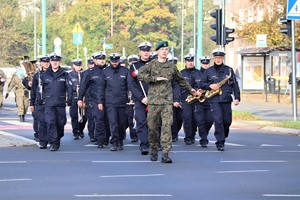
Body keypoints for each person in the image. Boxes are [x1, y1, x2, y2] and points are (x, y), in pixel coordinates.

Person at [137, 41, 196, 163]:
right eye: (162, 49)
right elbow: (139, 75)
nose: (164, 51)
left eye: (166, 49)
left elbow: (181, 80)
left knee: (167, 127)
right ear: (157, 51)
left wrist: (191, 90)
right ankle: (153, 148)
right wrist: (154, 79)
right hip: (153, 102)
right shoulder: (151, 65)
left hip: (167, 102)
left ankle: (165, 153)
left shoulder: (171, 67)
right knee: (152, 128)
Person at [200, 48, 240, 151]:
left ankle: (223, 135)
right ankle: (220, 142)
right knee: (218, 121)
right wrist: (210, 86)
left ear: (223, 58)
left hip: (226, 99)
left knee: (227, 121)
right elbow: (201, 84)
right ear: (214, 58)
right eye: (216, 57)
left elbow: (235, 85)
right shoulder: (208, 71)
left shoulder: (229, 70)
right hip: (214, 99)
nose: (218, 59)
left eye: (220, 57)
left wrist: (237, 97)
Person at [39, 52, 72, 151]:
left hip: (60, 103)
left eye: (56, 61)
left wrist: (69, 98)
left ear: (59, 62)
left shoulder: (65, 74)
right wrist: (39, 98)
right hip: (48, 103)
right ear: (50, 62)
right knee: (50, 122)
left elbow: (69, 88)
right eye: (53, 61)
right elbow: (40, 89)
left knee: (60, 123)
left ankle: (57, 137)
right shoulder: (45, 75)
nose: (55, 62)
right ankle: (54, 143)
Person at [98, 53, 130, 151]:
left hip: (122, 101)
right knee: (113, 122)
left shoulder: (125, 71)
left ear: (119, 61)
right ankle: (114, 142)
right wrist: (100, 101)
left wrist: (131, 99)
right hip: (110, 102)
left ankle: (120, 140)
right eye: (113, 61)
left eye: (116, 61)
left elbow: (130, 86)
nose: (114, 63)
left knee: (122, 123)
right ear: (110, 61)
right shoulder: (105, 72)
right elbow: (101, 88)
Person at [78, 51, 108, 147]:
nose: (102, 61)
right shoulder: (89, 73)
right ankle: (100, 140)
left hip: (109, 99)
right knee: (99, 119)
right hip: (94, 99)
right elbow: (83, 87)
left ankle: (107, 138)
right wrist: (80, 99)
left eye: (103, 59)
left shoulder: (109, 70)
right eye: (99, 59)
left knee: (109, 120)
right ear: (95, 60)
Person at [129, 42, 152, 155]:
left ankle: (155, 143)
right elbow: (131, 84)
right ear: (140, 52)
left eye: (147, 51)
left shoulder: (156, 64)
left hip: (155, 98)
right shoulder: (134, 66)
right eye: (144, 51)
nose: (146, 53)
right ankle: (144, 144)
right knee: (141, 122)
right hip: (140, 100)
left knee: (155, 123)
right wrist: (142, 98)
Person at [190, 56, 213, 148]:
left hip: (210, 100)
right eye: (204, 63)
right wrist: (196, 91)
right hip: (199, 101)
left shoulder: (212, 73)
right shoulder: (195, 74)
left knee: (210, 120)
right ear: (201, 63)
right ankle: (203, 139)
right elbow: (190, 86)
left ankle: (205, 133)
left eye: (207, 63)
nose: (205, 65)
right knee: (200, 121)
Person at [29, 55, 50, 148]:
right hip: (40, 102)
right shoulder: (37, 75)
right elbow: (33, 90)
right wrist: (31, 103)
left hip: (51, 102)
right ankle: (43, 141)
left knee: (51, 122)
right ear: (41, 63)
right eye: (44, 62)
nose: (46, 63)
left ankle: (52, 138)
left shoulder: (53, 74)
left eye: (47, 62)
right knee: (41, 122)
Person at [180, 54, 199, 145]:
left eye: (191, 61)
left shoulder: (199, 73)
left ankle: (193, 134)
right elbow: (178, 86)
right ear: (185, 62)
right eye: (188, 61)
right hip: (186, 99)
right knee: (187, 118)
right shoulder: (181, 73)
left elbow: (201, 84)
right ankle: (187, 137)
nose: (190, 63)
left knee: (195, 119)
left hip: (197, 99)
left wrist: (196, 91)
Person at [68, 59, 87, 140]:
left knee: (84, 116)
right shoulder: (70, 75)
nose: (78, 67)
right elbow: (68, 86)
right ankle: (75, 132)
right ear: (73, 66)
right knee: (74, 115)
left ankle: (81, 129)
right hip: (74, 97)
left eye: (79, 65)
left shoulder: (85, 74)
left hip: (83, 98)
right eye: (76, 65)